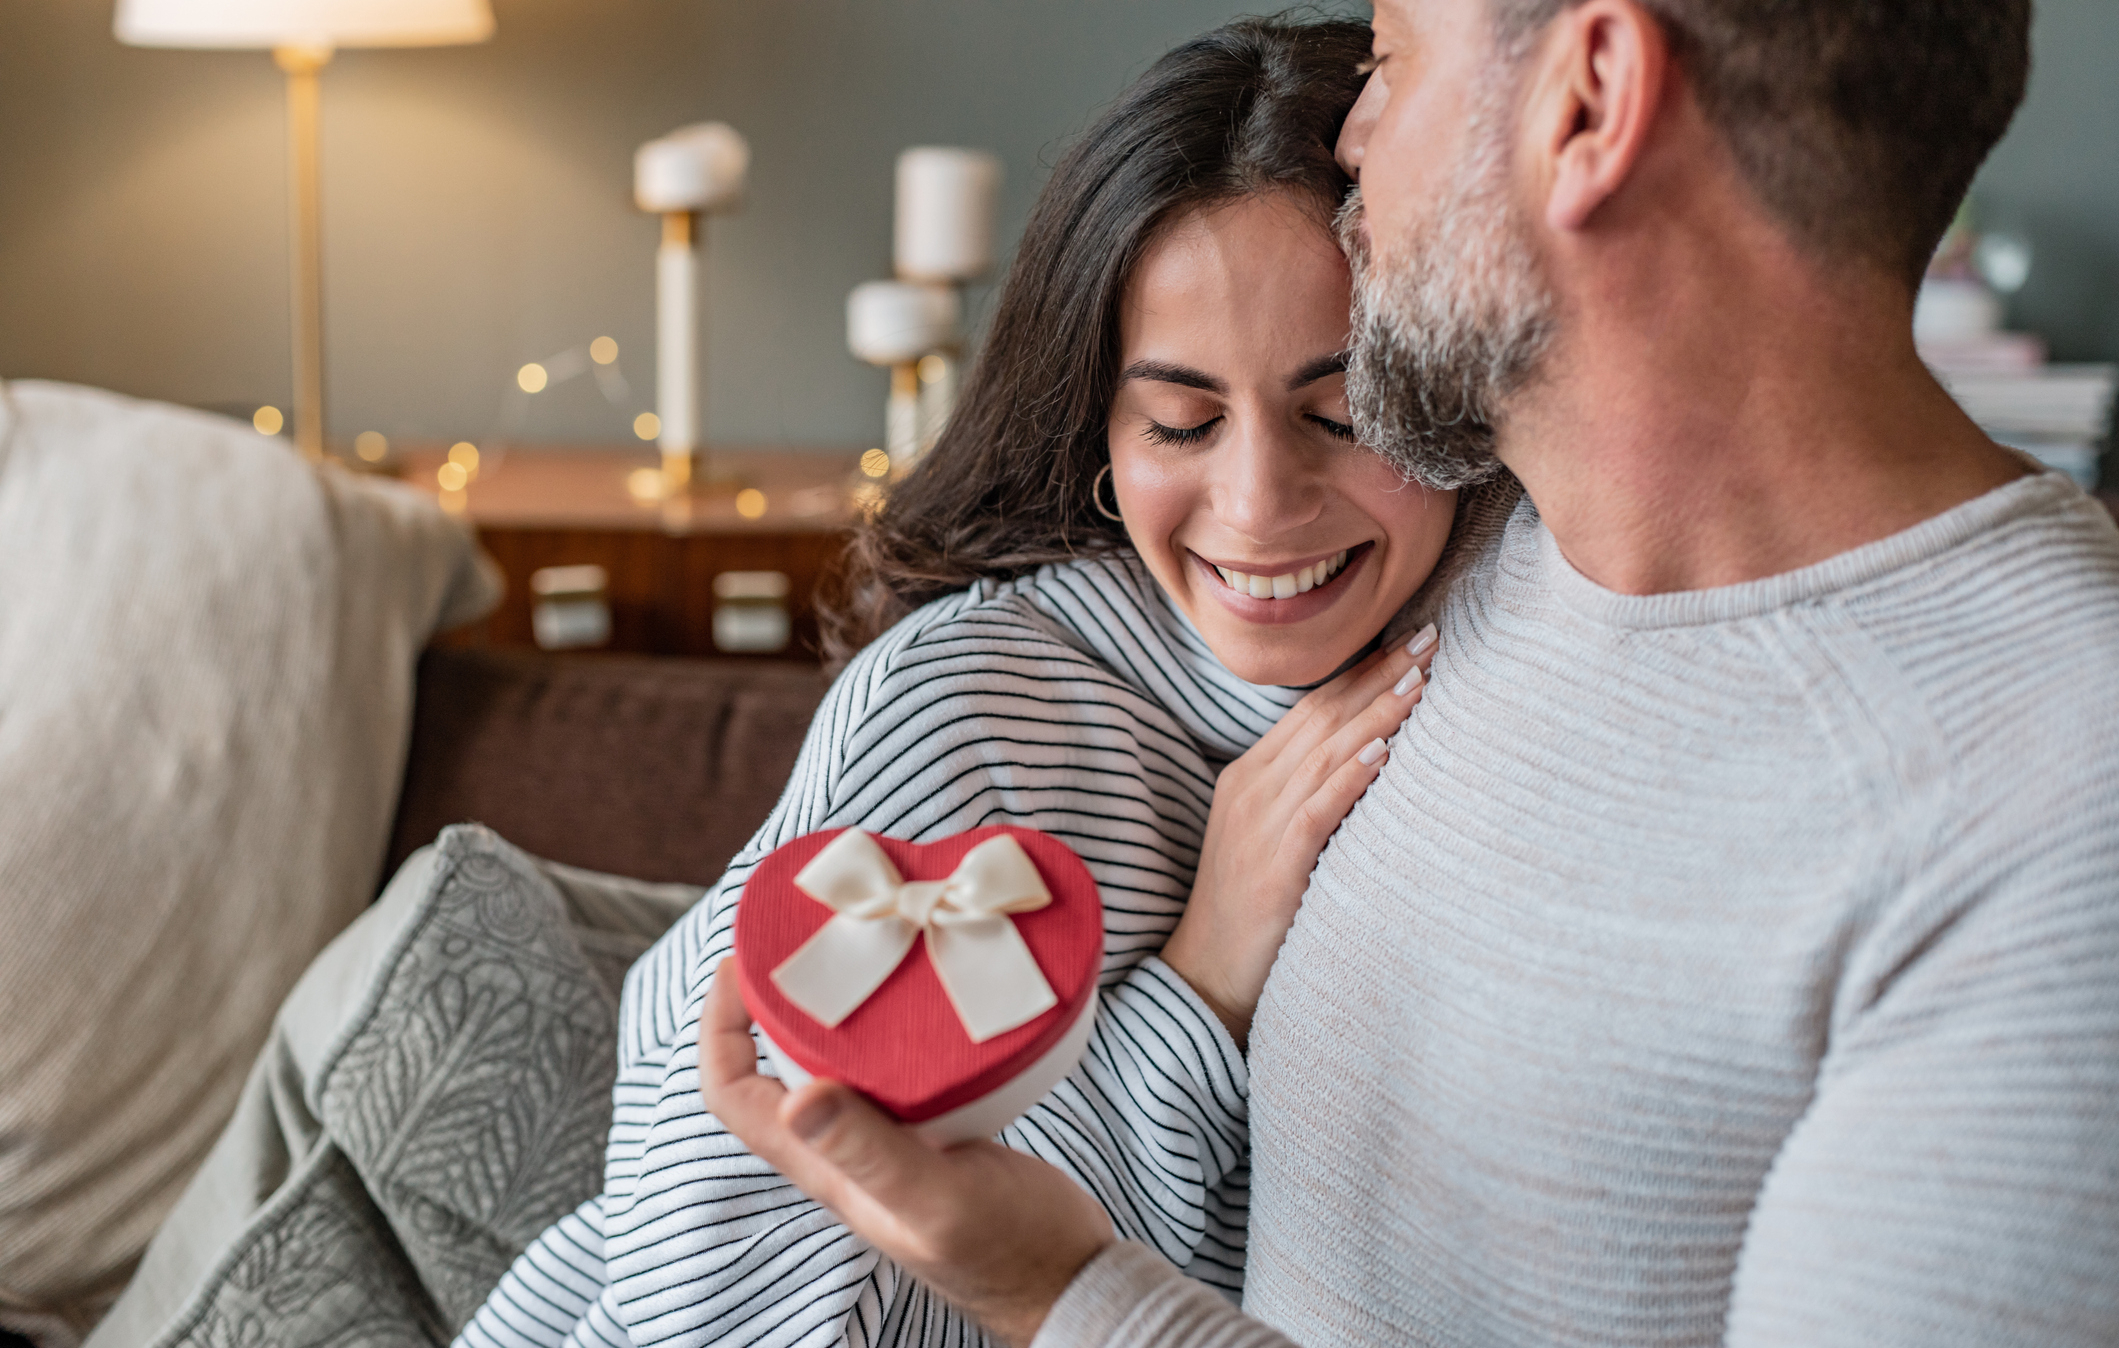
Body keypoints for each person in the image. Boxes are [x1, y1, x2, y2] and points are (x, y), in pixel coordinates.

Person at [700, 1, 2119, 1345]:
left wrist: (1056, 1288)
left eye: (1395, 57)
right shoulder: (1475, 547)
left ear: (1591, 101)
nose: (1359, 135)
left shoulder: (2054, 825)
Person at [461, 20, 1479, 1348]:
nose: (1258, 501)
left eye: (1340, 414)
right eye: (1181, 421)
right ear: (1104, 444)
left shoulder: (1490, 639)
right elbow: (728, 1292)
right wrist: (1201, 977)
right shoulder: (964, 713)